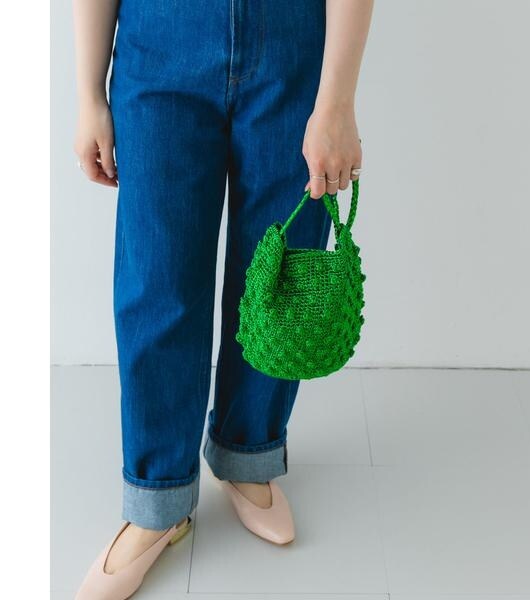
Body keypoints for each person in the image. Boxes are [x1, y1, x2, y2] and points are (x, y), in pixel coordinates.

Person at [72, 0, 373, 597]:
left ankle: (247, 453)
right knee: (157, 284)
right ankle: (158, 499)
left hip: (291, 48)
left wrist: (337, 103)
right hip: (158, 47)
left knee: (277, 283)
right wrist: (87, 95)